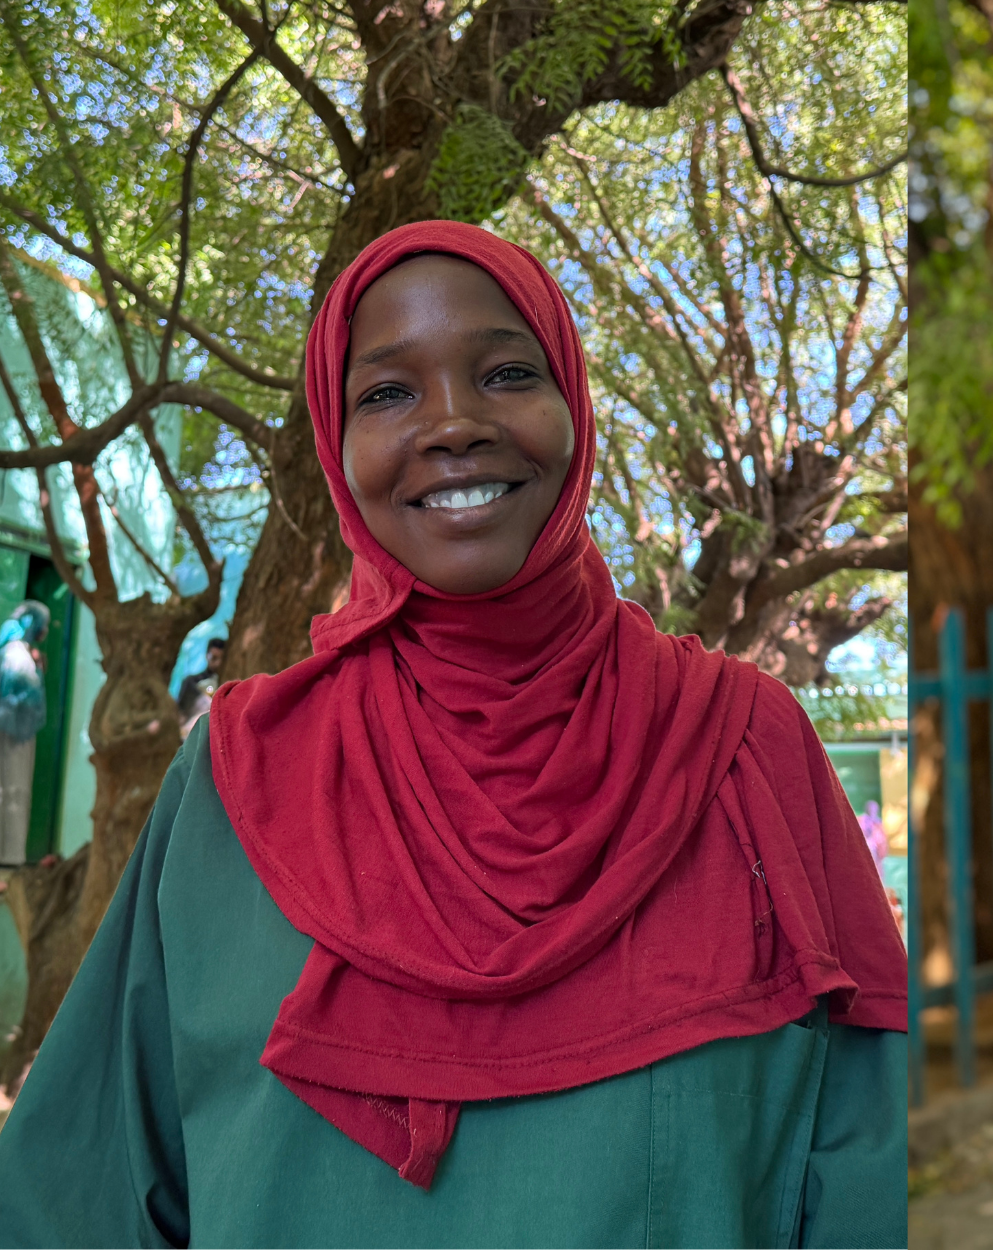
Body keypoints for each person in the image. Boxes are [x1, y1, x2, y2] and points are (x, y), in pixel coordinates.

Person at [0, 221, 908, 1247]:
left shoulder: (747, 746)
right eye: (388, 392)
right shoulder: (234, 779)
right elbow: (83, 1200)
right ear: (338, 452)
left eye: (508, 372)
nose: (453, 423)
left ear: (573, 403)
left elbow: (867, 1159)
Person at [0, 602, 48, 866]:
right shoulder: (17, 657)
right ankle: (9, 857)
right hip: (14, 734)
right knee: (13, 791)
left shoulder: (11, 653)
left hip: (11, 729)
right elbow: (26, 697)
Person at [175, 635, 224, 739]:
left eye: (221, 659)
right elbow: (180, 712)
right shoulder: (191, 682)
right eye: (214, 657)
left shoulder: (227, 684)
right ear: (207, 655)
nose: (217, 663)